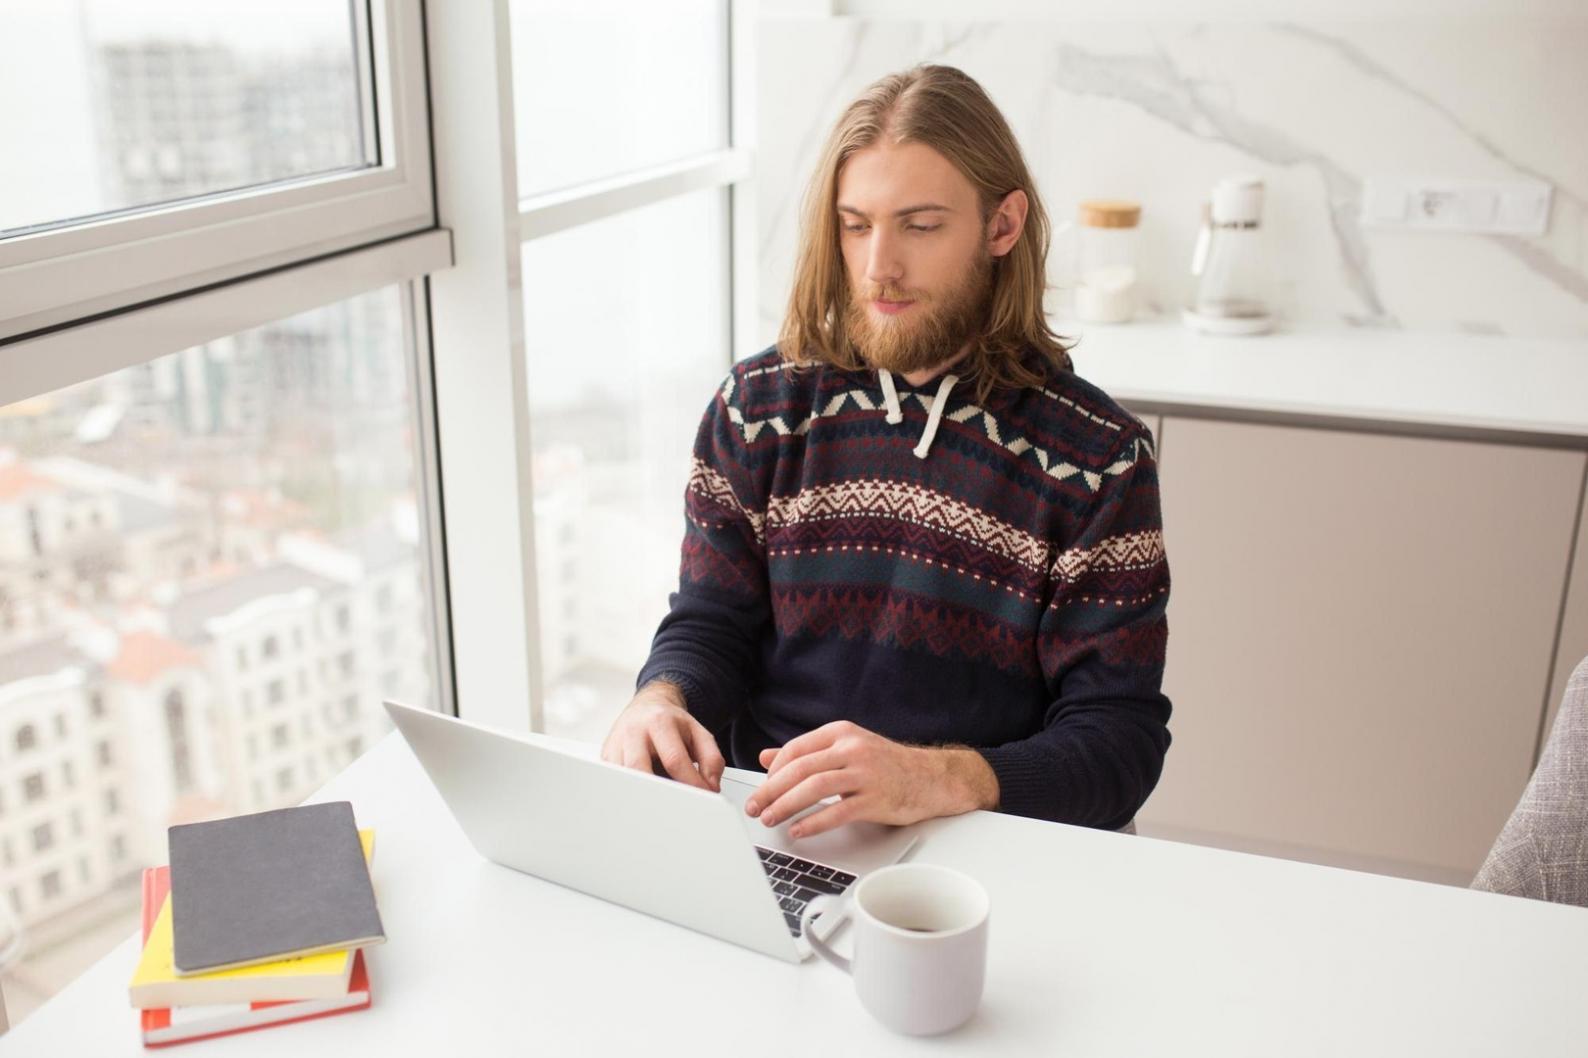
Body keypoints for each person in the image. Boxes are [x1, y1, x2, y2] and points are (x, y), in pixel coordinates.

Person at [600, 63, 1170, 838]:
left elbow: (1118, 742)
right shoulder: (757, 409)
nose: (878, 268)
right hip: (777, 830)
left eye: (921, 225)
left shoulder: (1099, 460)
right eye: (855, 224)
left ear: (1002, 227)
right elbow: (711, 623)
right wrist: (660, 697)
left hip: (982, 843)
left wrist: (937, 777)